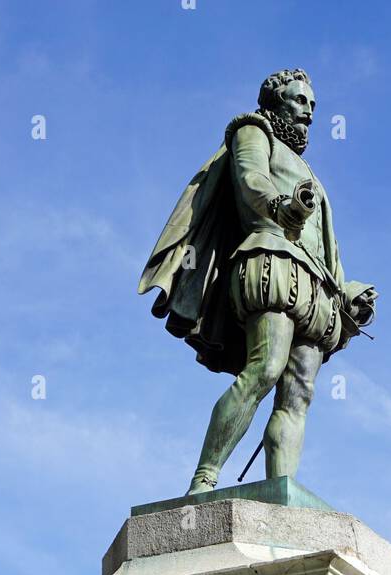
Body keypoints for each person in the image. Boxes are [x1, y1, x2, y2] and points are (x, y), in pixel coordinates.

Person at [139, 68, 377, 493]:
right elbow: (250, 180)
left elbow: (326, 244)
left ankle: (281, 489)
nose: (308, 112)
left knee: (298, 396)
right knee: (264, 369)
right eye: (299, 100)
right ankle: (204, 477)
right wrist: (281, 205)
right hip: (270, 265)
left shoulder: (311, 174)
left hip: (317, 289)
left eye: (313, 105)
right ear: (273, 100)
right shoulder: (252, 131)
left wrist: (348, 294)